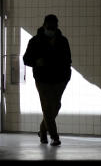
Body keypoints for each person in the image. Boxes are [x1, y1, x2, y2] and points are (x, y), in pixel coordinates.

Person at [22, 14, 71, 146]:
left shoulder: (63, 41)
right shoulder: (35, 41)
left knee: (55, 107)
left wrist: (66, 77)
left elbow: (68, 61)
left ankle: (42, 131)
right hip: (42, 80)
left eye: (53, 27)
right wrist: (37, 62)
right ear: (44, 25)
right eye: (49, 27)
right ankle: (54, 137)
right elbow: (26, 59)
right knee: (47, 108)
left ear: (56, 27)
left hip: (60, 80)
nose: (51, 29)